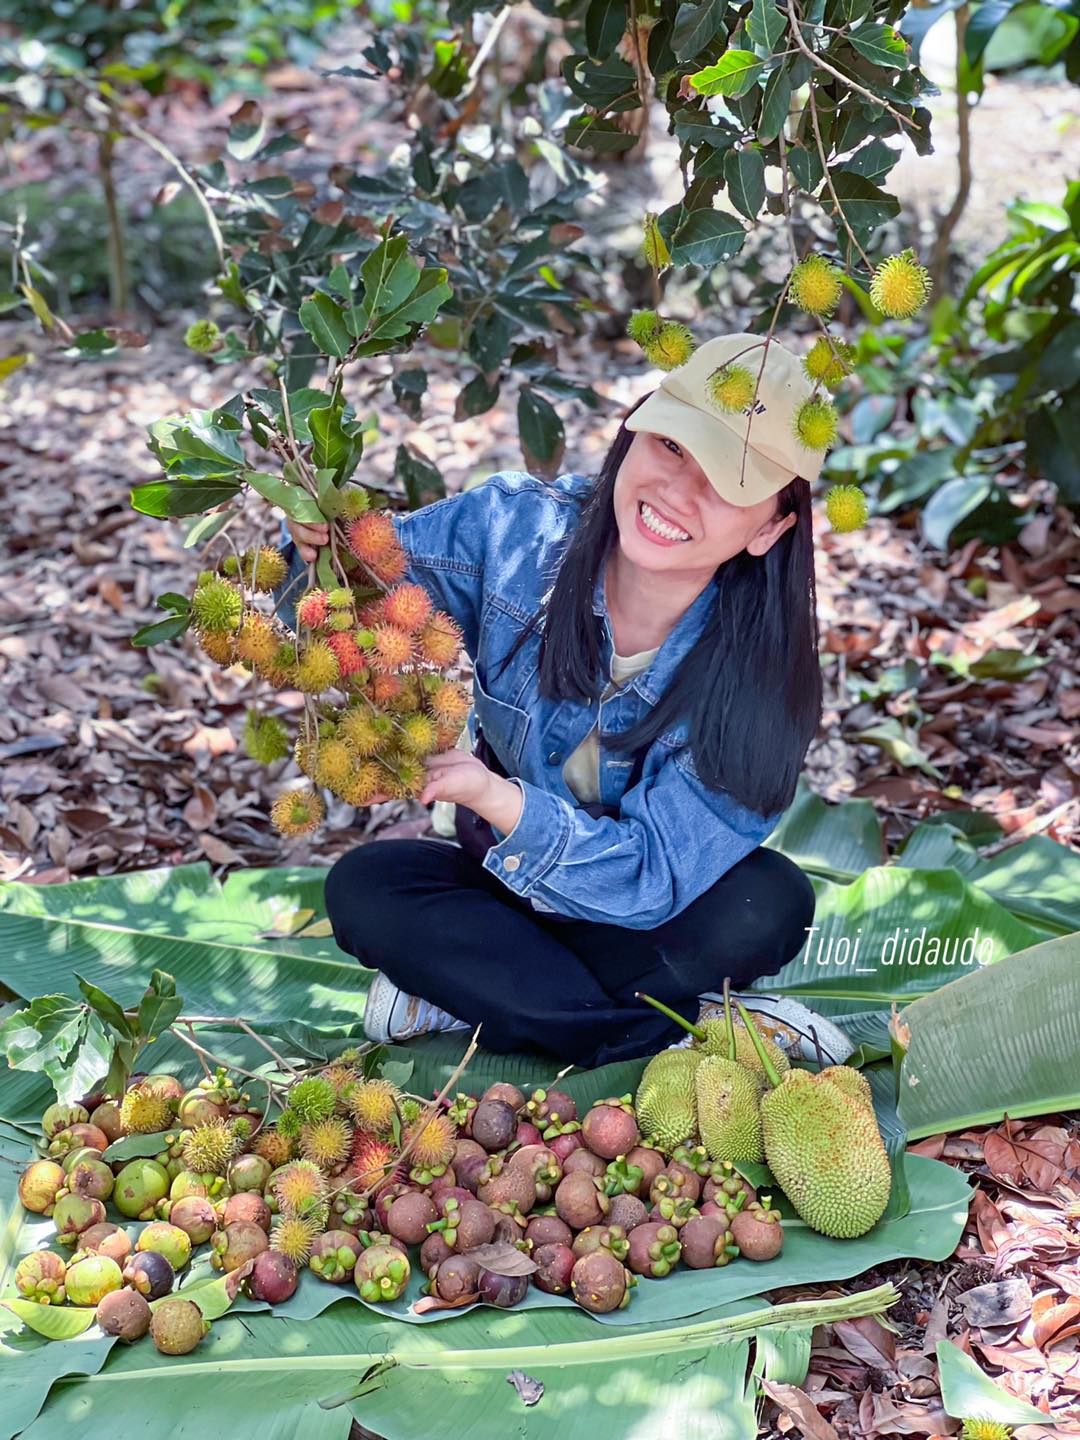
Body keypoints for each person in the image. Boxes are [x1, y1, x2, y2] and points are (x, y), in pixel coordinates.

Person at [277, 332, 853, 1070]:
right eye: (672, 446)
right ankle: (684, 1028)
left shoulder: (762, 679)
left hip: (645, 918)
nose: (679, 492)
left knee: (767, 907)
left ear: (770, 527)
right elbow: (342, 604)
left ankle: (481, 995)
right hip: (506, 887)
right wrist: (318, 548)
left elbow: (650, 881)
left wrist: (492, 795)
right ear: (635, 430)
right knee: (366, 888)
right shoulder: (516, 530)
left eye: (728, 481)